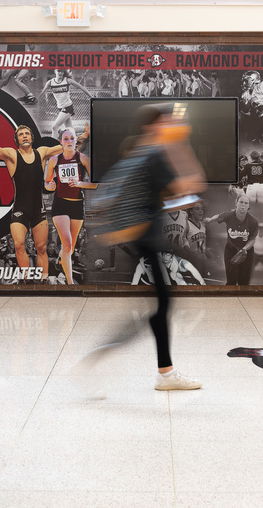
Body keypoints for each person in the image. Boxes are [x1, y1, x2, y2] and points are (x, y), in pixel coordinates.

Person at [80, 104, 206, 391]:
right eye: (165, 121)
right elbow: (192, 183)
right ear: (153, 126)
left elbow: (176, 197)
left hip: (144, 233)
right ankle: (155, 371)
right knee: (160, 306)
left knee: (160, 305)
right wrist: (181, 145)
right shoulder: (154, 154)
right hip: (146, 235)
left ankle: (160, 370)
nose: (170, 125)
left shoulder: (143, 152)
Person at [0, 114, 77, 280]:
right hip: (20, 209)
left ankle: (43, 281)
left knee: (41, 248)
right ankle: (26, 279)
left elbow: (67, 146)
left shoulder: (42, 152)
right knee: (18, 245)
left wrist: (84, 137)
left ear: (32, 137)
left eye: (27, 133)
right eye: (21, 134)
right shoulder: (11, 155)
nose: (24, 135)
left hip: (38, 208)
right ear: (16, 140)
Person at [43, 128, 95, 285]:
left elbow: (94, 184)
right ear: (61, 142)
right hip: (60, 204)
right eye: (65, 138)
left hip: (77, 205)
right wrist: (50, 186)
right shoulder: (54, 161)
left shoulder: (83, 159)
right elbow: (47, 182)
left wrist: (80, 183)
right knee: (67, 243)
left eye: (72, 138)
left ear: (75, 141)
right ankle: (70, 284)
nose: (69, 141)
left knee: (70, 248)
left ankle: (61, 259)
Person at [207, 195, 259, 286]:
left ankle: (243, 298)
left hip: (247, 252)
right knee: (231, 281)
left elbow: (252, 239)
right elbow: (218, 216)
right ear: (236, 203)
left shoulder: (253, 221)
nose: (243, 205)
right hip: (231, 250)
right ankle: (230, 299)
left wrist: (244, 249)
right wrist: (209, 220)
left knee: (244, 283)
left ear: (248, 206)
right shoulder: (229, 215)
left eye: (246, 203)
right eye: (241, 202)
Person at [41, 70, 92, 138]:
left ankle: (53, 145)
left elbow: (81, 87)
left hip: (67, 107)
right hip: (60, 107)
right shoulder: (50, 82)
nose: (60, 73)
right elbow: (42, 93)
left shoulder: (67, 80)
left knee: (54, 127)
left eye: (62, 72)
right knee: (69, 129)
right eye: (58, 71)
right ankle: (85, 132)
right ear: (55, 71)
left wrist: (91, 97)